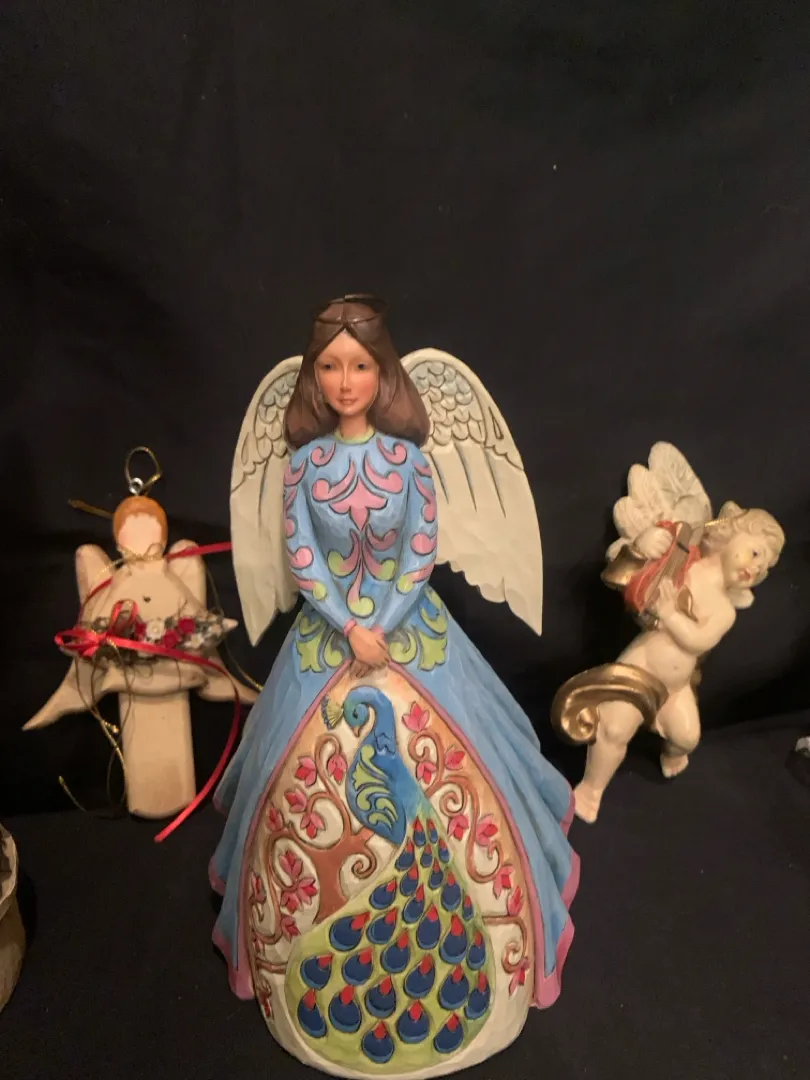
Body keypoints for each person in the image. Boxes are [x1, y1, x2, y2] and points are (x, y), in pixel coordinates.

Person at [211, 296, 579, 1075]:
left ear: (384, 373)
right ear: (314, 376)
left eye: (360, 365)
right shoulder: (304, 466)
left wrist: (383, 619)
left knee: (483, 766)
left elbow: (421, 548)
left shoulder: (409, 462)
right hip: (330, 637)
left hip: (409, 629)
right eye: (330, 366)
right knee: (283, 768)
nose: (346, 381)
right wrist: (348, 627)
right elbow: (302, 556)